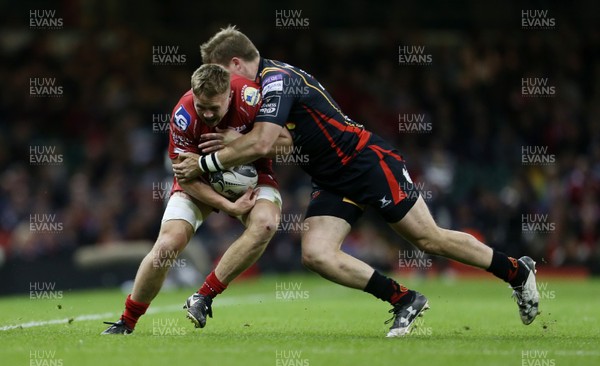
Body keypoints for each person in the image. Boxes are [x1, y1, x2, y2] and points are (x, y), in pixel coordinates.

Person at [173, 26, 540, 337]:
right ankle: (404, 300)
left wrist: (205, 163)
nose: (223, 84)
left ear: (236, 63)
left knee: (429, 238)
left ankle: (516, 271)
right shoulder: (255, 93)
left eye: (222, 72)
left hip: (366, 162)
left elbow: (266, 142)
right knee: (316, 254)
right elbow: (282, 144)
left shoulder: (276, 80)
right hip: (332, 178)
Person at [102, 64, 291, 334]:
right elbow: (186, 176)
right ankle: (127, 321)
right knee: (168, 244)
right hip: (201, 182)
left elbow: (287, 144)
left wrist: (242, 141)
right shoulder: (183, 114)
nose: (208, 114)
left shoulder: (253, 97)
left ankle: (203, 296)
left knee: (266, 224)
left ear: (229, 95)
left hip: (254, 176)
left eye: (215, 107)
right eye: (202, 106)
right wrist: (226, 205)